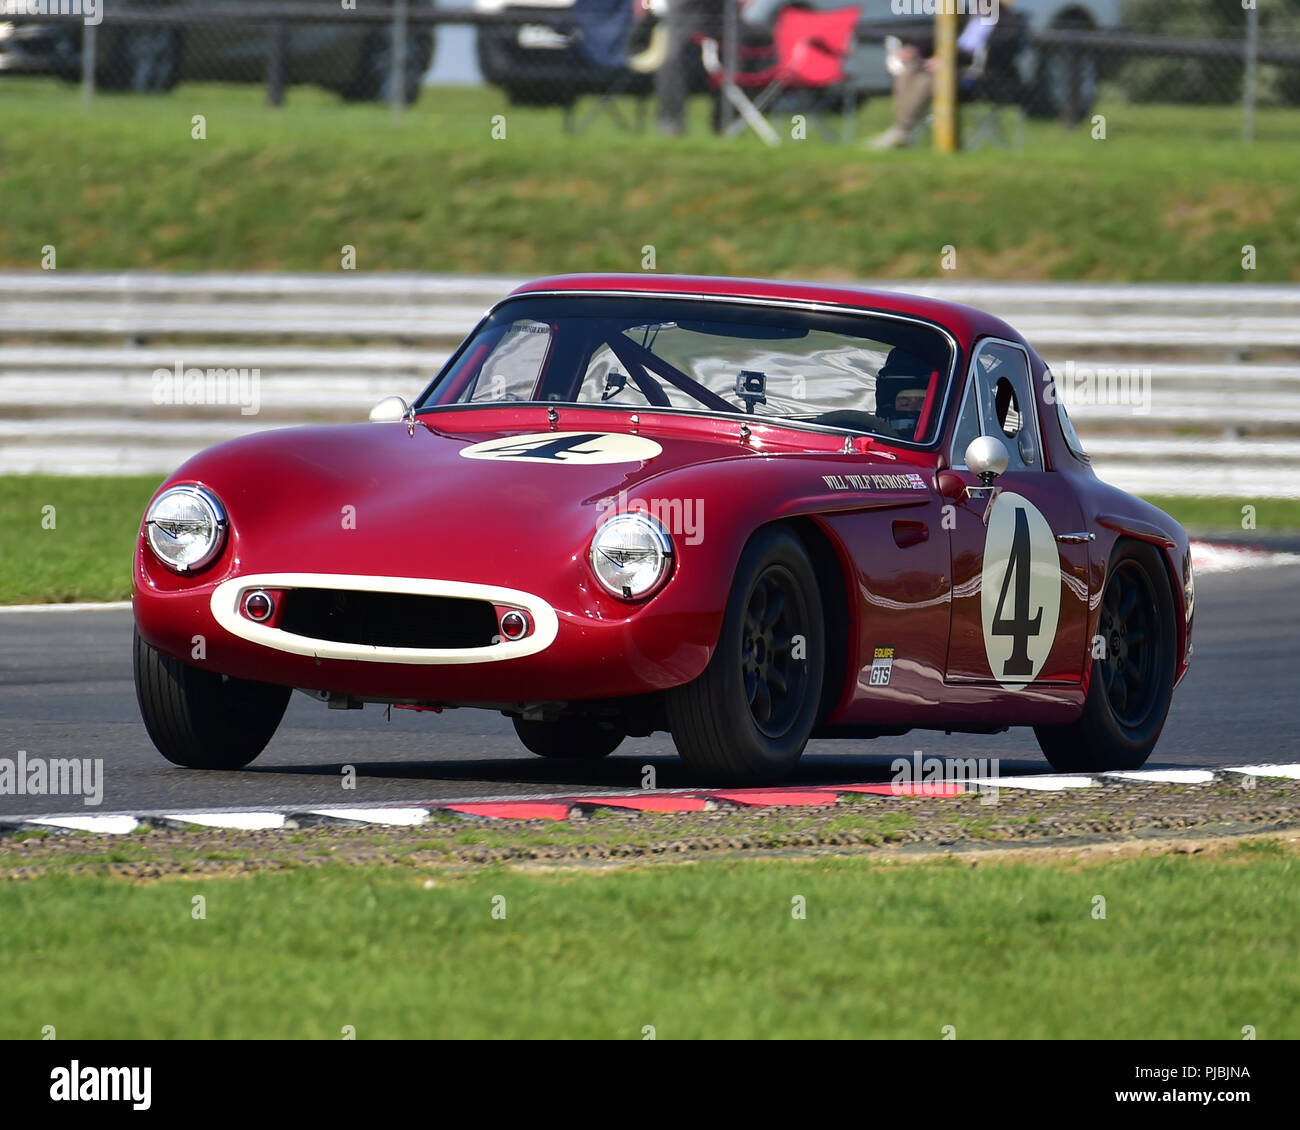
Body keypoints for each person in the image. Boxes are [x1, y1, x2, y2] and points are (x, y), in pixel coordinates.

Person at [868, 11, 998, 150]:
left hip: (966, 72)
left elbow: (989, 53)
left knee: (927, 80)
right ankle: (900, 129)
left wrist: (948, 59)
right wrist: (914, 50)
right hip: (940, 64)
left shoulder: (999, 19)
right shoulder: (963, 13)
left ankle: (902, 130)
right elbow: (936, 36)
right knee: (908, 68)